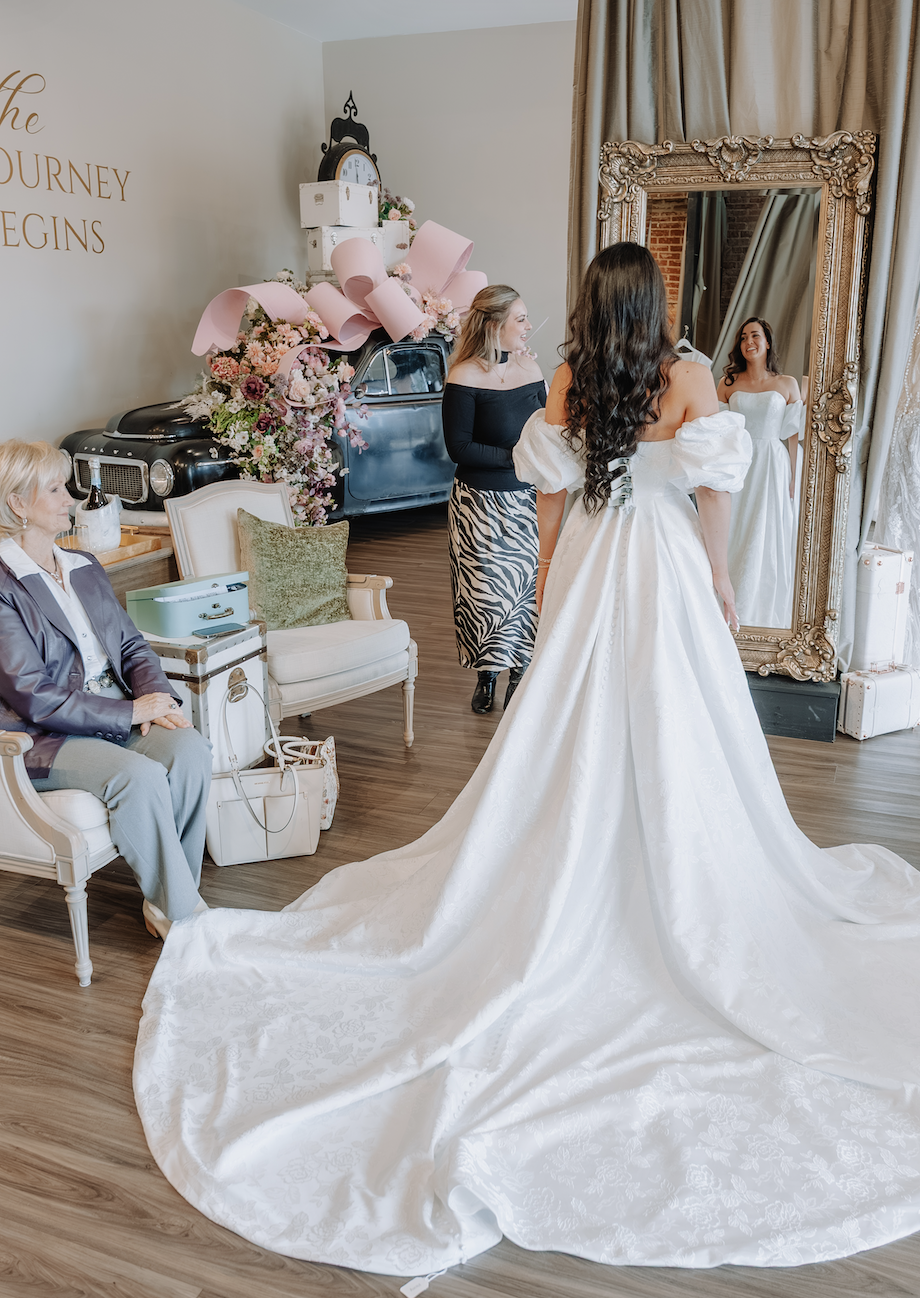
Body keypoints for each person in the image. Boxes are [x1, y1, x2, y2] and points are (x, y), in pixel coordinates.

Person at [134, 245, 920, 1280]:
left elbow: (549, 503)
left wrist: (550, 588)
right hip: (663, 563)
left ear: (593, 306)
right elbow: (713, 496)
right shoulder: (685, 376)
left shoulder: (565, 377)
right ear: (655, 304)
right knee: (672, 718)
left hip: (597, 560)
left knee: (575, 725)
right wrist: (721, 582)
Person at [0, 440, 212, 940]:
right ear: (17, 504)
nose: (68, 498)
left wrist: (159, 702)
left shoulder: (83, 566)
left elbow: (133, 647)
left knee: (189, 747)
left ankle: (167, 904)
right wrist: (127, 714)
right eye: (54, 489)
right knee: (137, 777)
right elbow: (33, 694)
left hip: (110, 710)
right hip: (42, 737)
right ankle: (187, 920)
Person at [442, 285, 546, 712]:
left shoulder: (533, 372)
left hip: (527, 502)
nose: (527, 326)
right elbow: (459, 448)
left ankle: (520, 670)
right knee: (485, 593)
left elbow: (546, 431)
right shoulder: (463, 375)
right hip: (477, 507)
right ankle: (487, 675)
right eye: (519, 319)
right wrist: (518, 458)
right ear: (494, 325)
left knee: (524, 591)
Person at [718, 317, 804, 626]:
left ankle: (760, 614)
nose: (748, 342)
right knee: (736, 529)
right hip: (738, 462)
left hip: (772, 465)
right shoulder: (728, 385)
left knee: (764, 531)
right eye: (743, 337)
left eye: (755, 335)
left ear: (767, 342)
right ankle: (727, 608)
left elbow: (794, 436)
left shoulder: (786, 384)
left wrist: (795, 477)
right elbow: (719, 434)